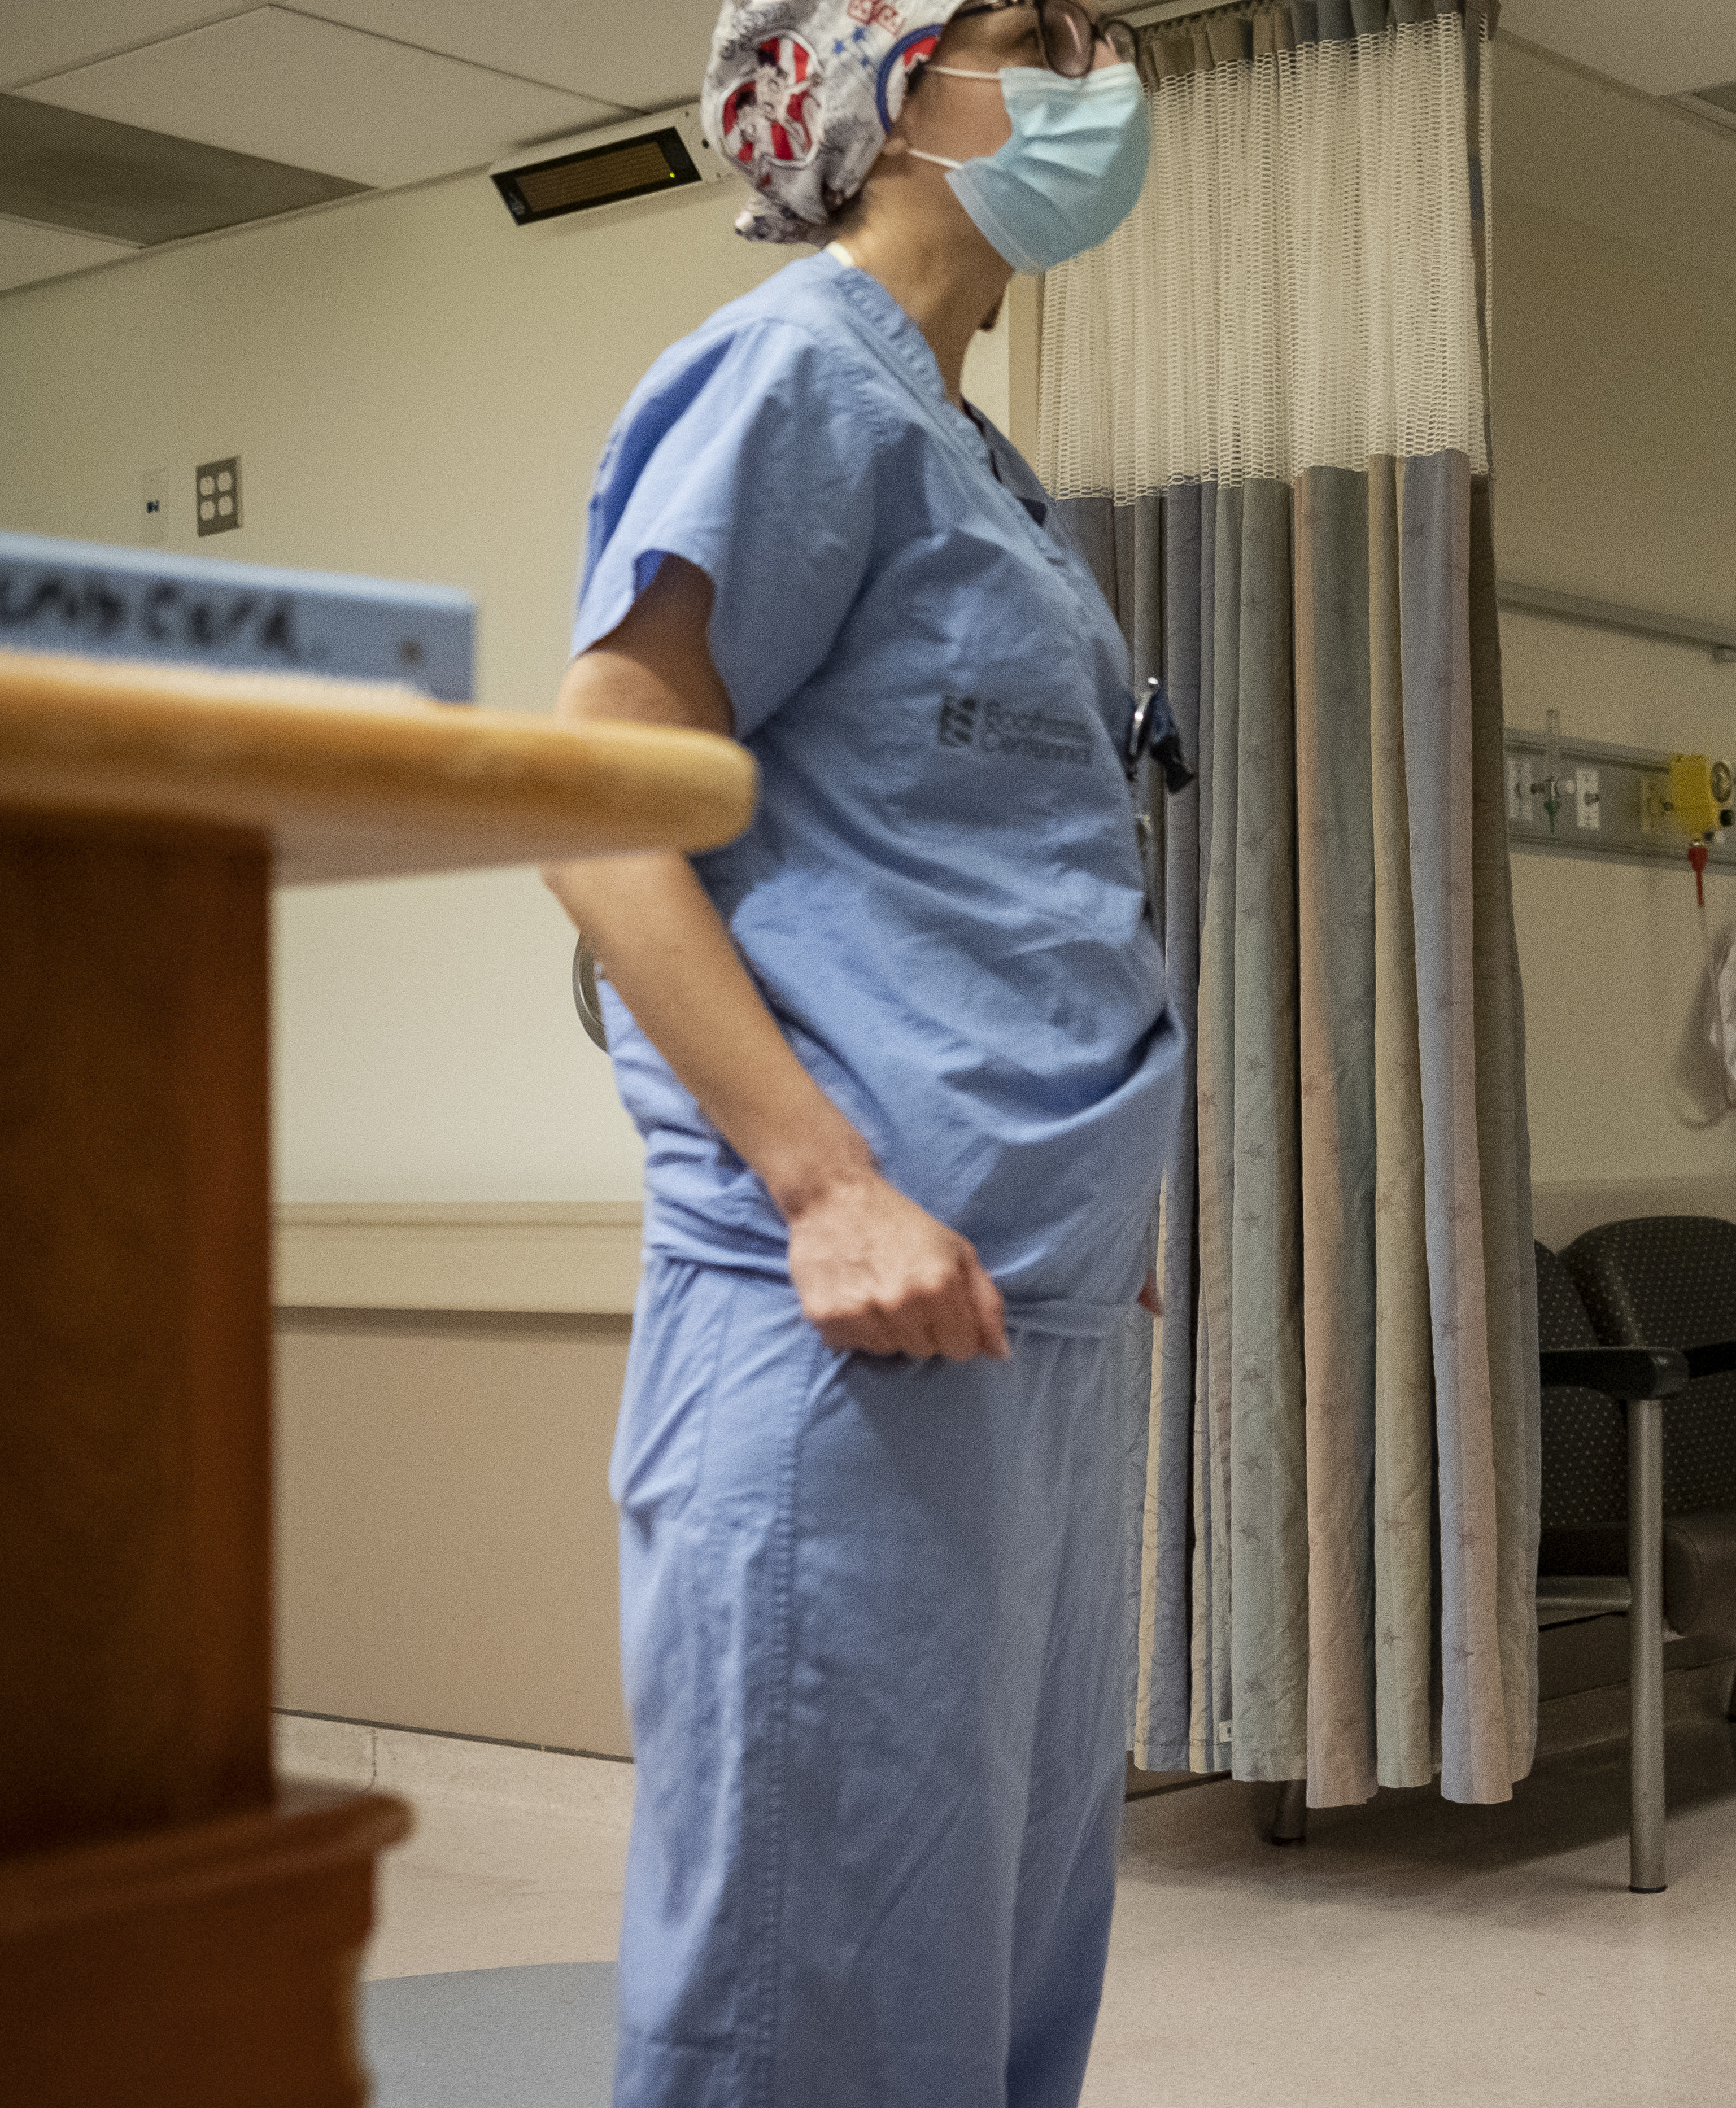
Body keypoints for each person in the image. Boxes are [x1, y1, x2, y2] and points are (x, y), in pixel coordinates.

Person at [538, 5, 1177, 2102]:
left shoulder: (978, 462)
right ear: (889, 88)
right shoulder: (792, 374)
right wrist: (827, 1178)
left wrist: (1081, 1195)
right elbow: (594, 793)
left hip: (1026, 1306)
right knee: (822, 1990)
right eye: (1031, 30)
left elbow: (970, 887)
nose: (1096, 65)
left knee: (995, 1976)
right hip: (842, 1321)